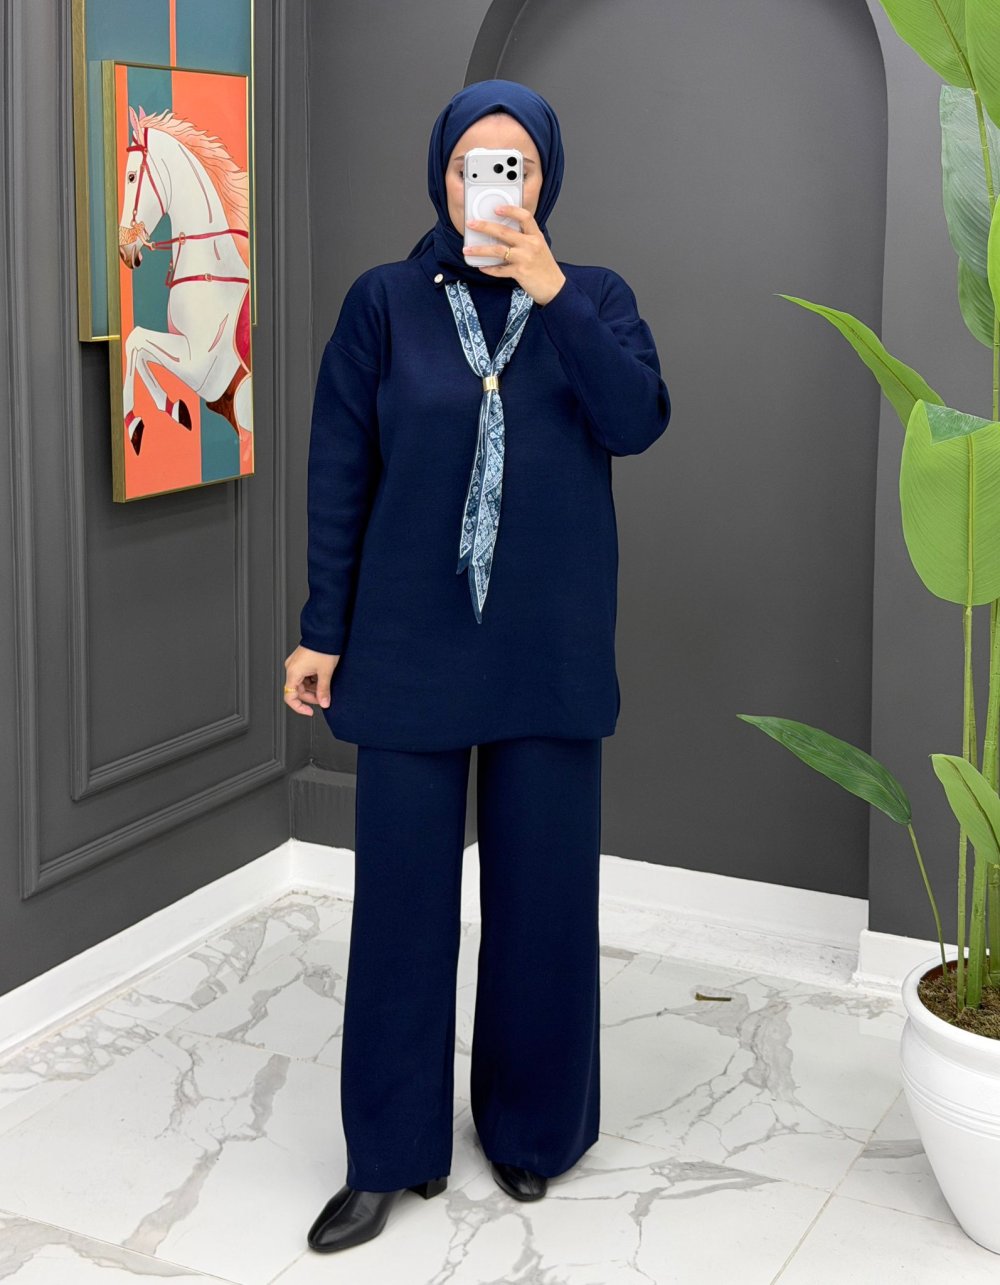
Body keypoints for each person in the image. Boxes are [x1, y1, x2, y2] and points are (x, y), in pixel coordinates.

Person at [283, 78, 670, 1253]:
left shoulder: (597, 297)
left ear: (545, 178)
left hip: (547, 651)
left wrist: (552, 292)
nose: (488, 184)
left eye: (514, 166)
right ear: (441, 175)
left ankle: (529, 1130)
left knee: (543, 906)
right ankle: (387, 1153)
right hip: (407, 647)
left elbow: (636, 420)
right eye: (470, 165)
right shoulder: (383, 303)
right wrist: (322, 627)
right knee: (400, 912)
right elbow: (340, 472)